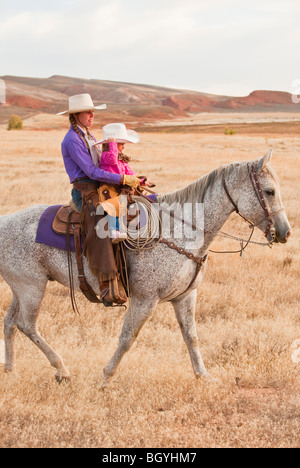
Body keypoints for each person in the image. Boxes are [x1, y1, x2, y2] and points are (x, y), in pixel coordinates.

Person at [57, 94, 141, 306]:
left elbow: (104, 165)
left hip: (100, 185)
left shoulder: (89, 135)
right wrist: (121, 177)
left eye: (93, 111)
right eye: (88, 111)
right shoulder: (72, 139)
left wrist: (128, 178)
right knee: (101, 221)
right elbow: (92, 172)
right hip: (85, 190)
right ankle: (107, 285)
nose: (92, 115)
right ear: (75, 115)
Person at [94, 123, 146, 243]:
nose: (123, 147)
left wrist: (141, 181)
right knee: (112, 205)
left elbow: (130, 173)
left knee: (125, 203)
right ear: (111, 145)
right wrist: (112, 144)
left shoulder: (121, 160)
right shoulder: (106, 156)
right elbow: (112, 160)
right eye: (121, 144)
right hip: (109, 187)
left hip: (119, 187)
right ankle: (114, 230)